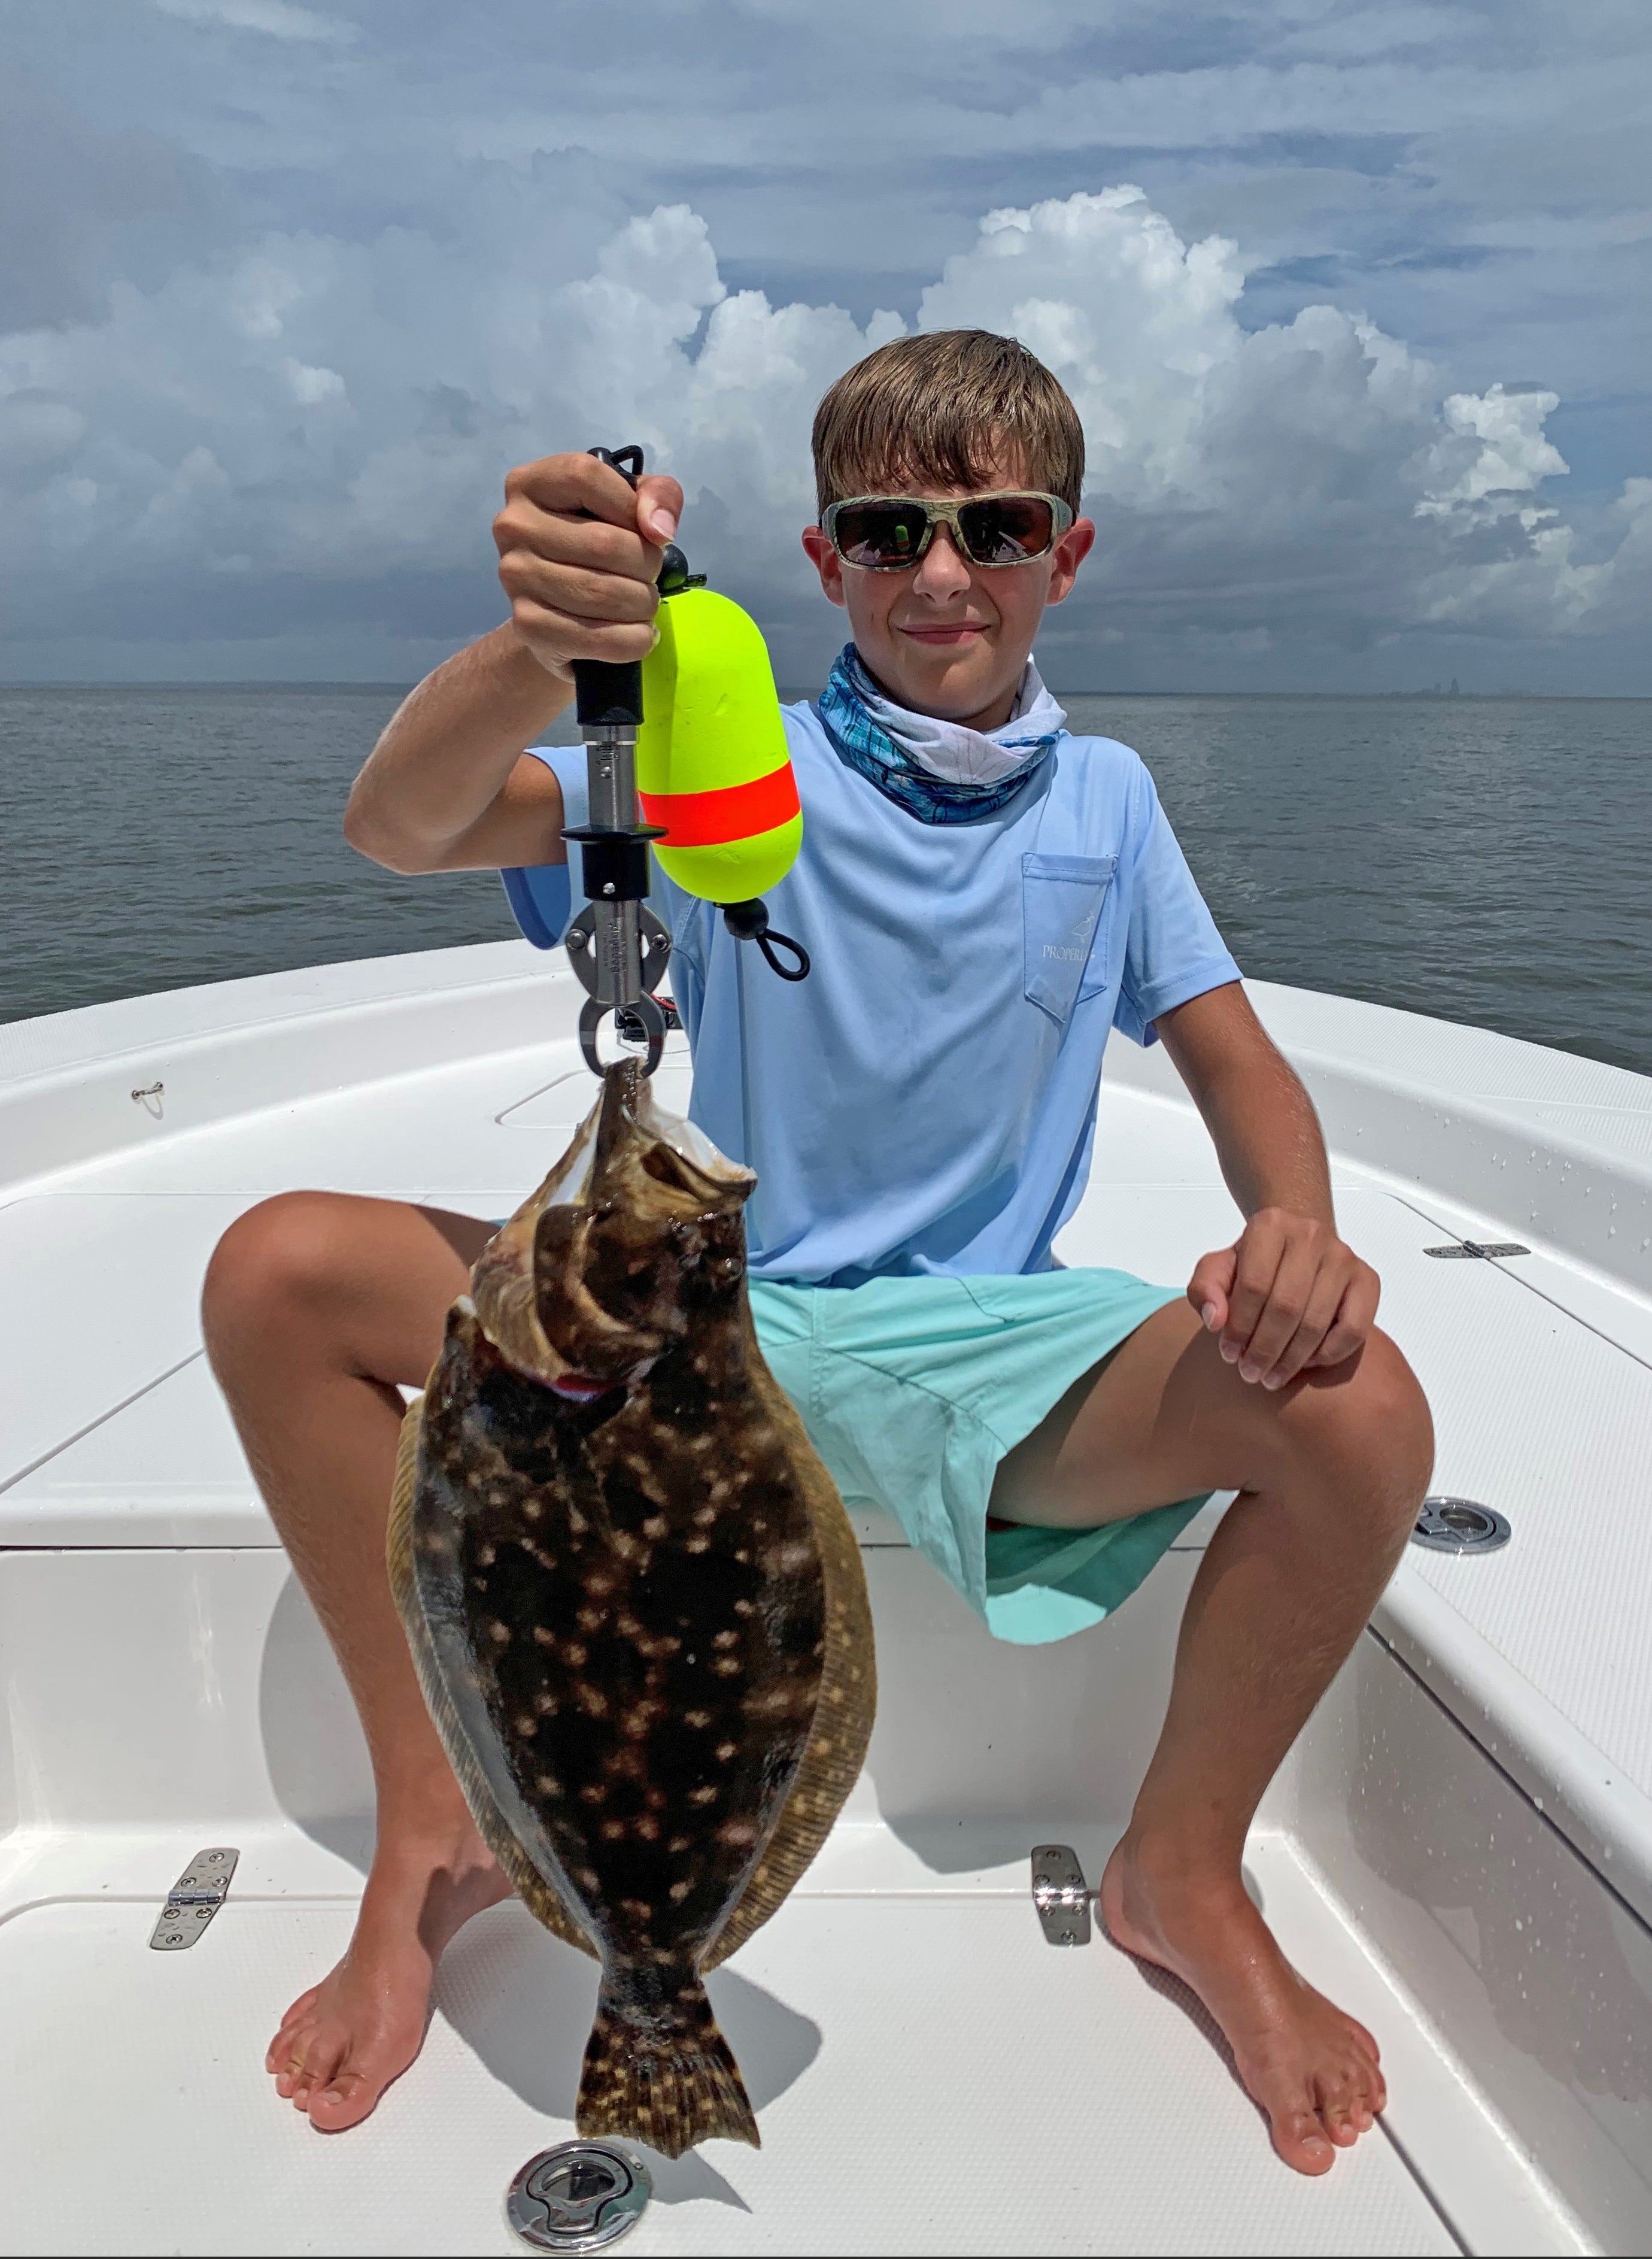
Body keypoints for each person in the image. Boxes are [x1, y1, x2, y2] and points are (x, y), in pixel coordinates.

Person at [202, 328, 1432, 2174]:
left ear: (1063, 555)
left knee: (1359, 1409)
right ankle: (439, 1816)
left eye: (997, 527)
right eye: (890, 530)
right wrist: (548, 642)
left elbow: (1234, 1055)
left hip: (983, 1349)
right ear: (824, 559)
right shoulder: (726, 764)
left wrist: (1300, 1232)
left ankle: (1185, 1873)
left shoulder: (1110, 805)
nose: (945, 573)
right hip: (718, 1320)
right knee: (278, 1271)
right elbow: (408, 825)